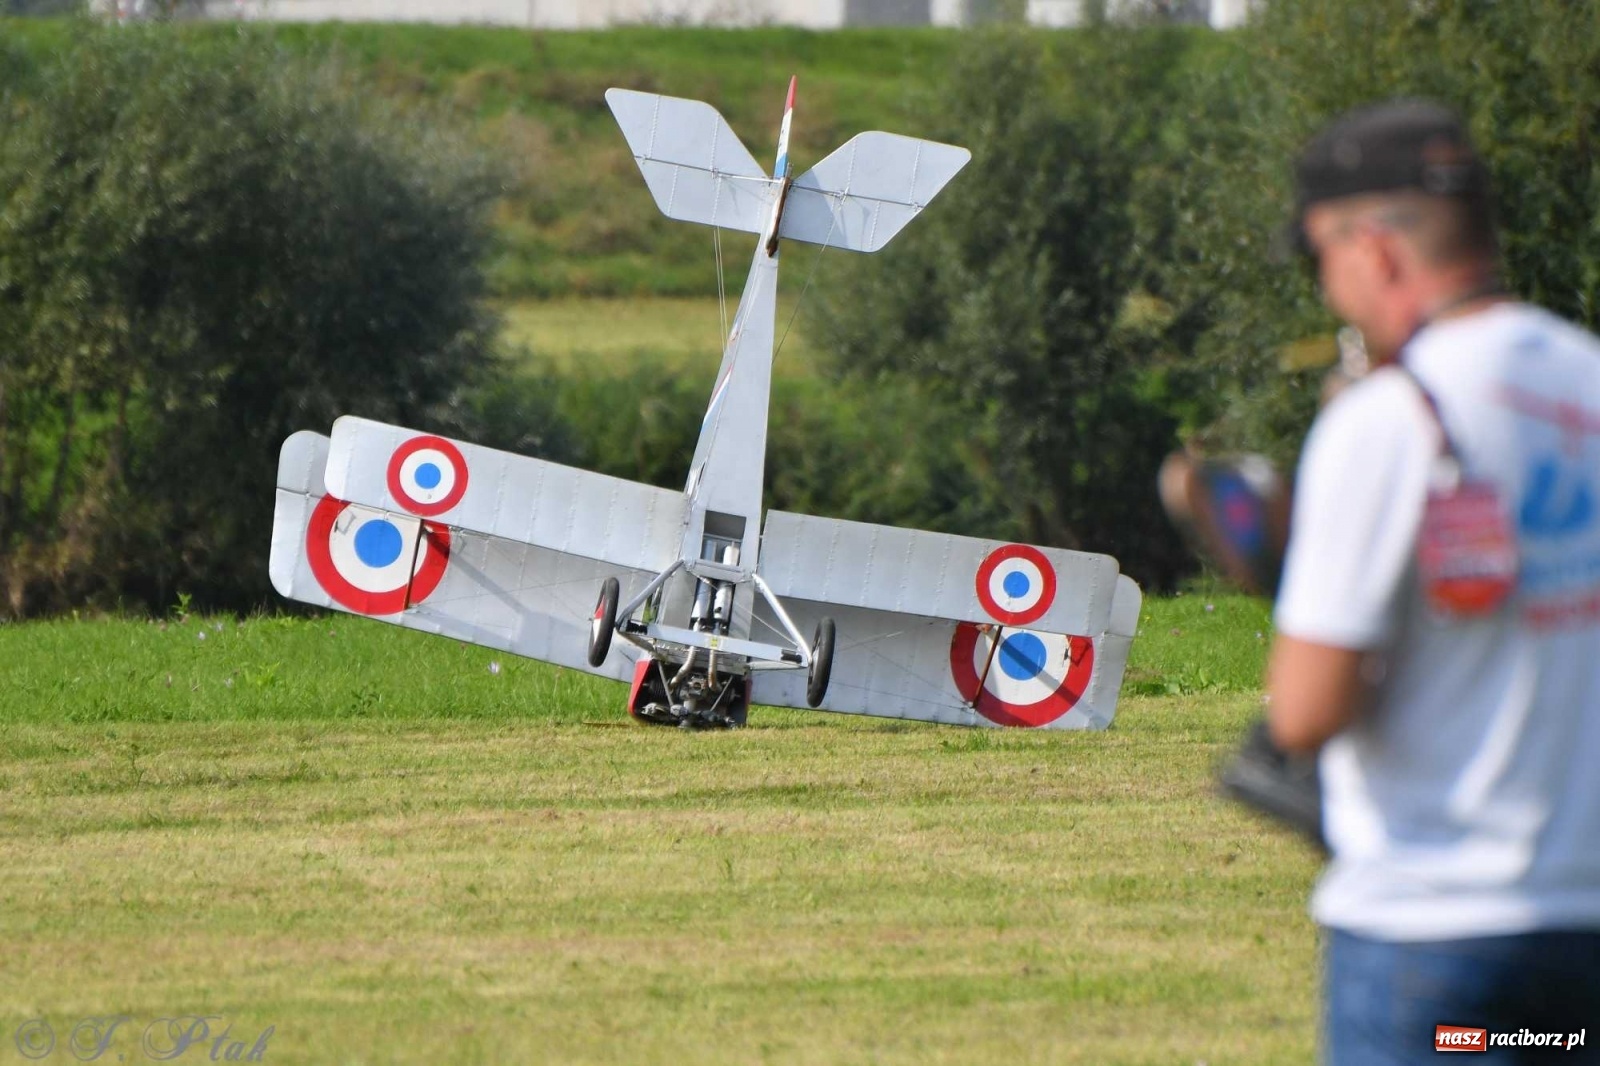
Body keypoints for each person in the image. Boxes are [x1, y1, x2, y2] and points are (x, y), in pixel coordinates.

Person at [1267, 99, 1600, 1064]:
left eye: (1318, 259)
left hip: (1435, 936)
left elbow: (1305, 711)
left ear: (1373, 250)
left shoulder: (1388, 418)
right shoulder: (1587, 379)